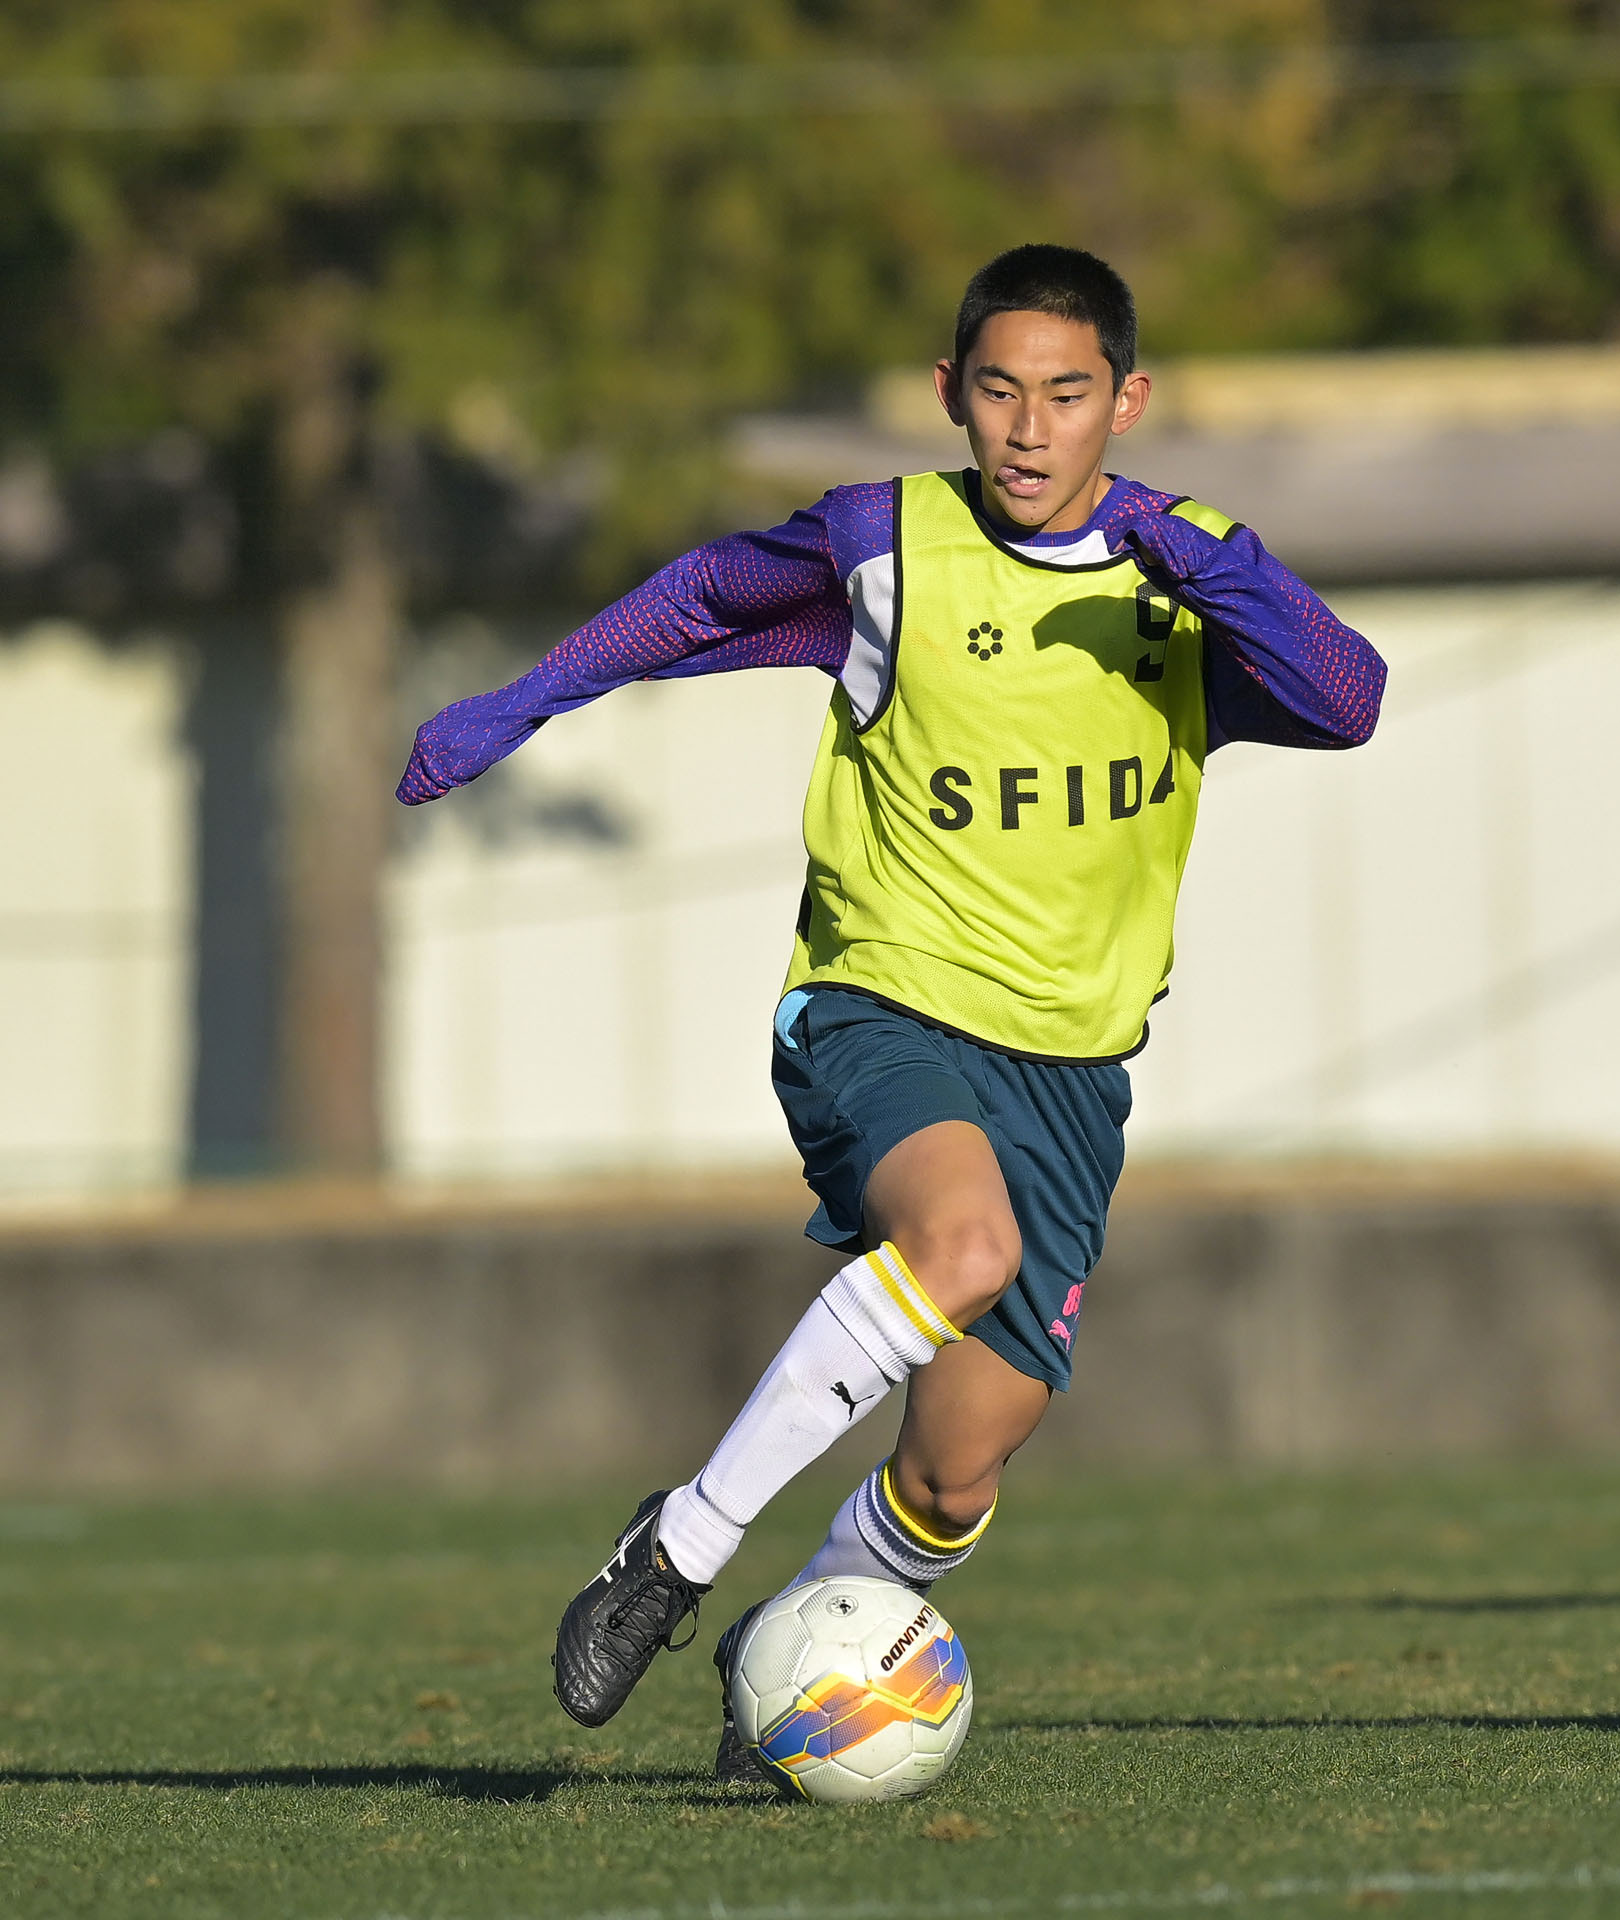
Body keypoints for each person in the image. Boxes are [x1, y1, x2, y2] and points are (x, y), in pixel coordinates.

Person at [397, 244, 1387, 1778]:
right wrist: (515, 704)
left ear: (1126, 401)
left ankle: (783, 1652)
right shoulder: (886, 547)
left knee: (956, 1469)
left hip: (1072, 1073)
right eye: (998, 391)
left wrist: (1222, 563)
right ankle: (678, 1549)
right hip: (881, 1004)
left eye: (1068, 395)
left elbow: (1347, 698)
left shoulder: (1177, 576)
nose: (1030, 430)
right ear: (949, 394)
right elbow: (701, 599)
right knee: (960, 1245)